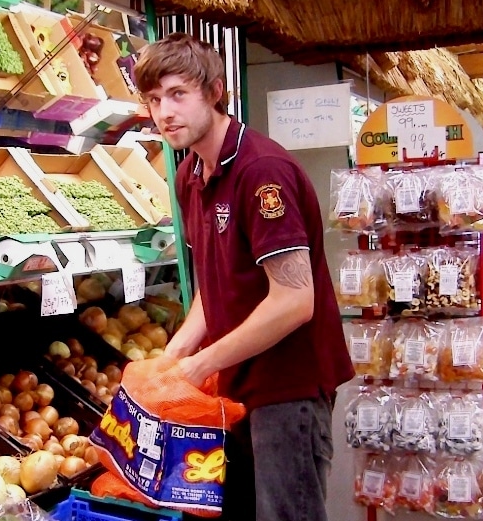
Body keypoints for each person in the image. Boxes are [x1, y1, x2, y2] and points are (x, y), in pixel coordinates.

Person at [134, 32, 355, 521]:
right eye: (154, 99)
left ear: (215, 92)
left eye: (178, 94)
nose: (164, 112)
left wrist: (199, 365)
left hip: (287, 388)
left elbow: (294, 301)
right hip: (233, 388)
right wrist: (174, 355)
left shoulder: (261, 171)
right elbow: (215, 285)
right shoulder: (191, 176)